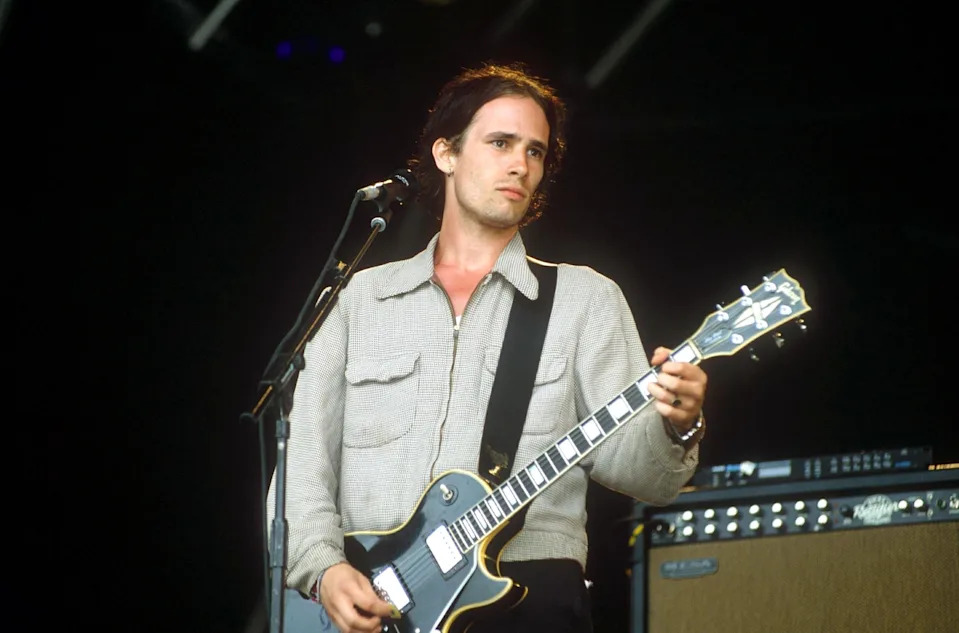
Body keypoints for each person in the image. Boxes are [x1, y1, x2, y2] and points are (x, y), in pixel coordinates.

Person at [267, 62, 707, 633]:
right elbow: (301, 461)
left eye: (535, 151)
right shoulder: (358, 300)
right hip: (367, 604)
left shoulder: (583, 299)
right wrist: (323, 570)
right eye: (501, 142)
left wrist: (681, 423)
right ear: (445, 154)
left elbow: (649, 477)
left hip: (525, 596)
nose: (520, 164)